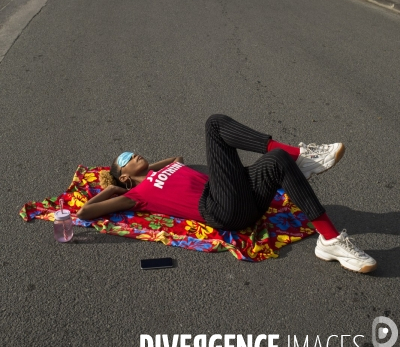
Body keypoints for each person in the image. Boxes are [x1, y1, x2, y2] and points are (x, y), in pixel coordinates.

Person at [77, 114, 377, 274]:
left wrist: (146, 168)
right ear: (125, 176)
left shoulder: (157, 172)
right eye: (126, 158)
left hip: (243, 200)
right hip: (219, 208)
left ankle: (330, 242)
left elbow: (175, 159)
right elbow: (84, 213)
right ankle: (300, 155)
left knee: (278, 162)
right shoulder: (137, 194)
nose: (134, 154)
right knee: (214, 124)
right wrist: (115, 186)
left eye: (132, 152)